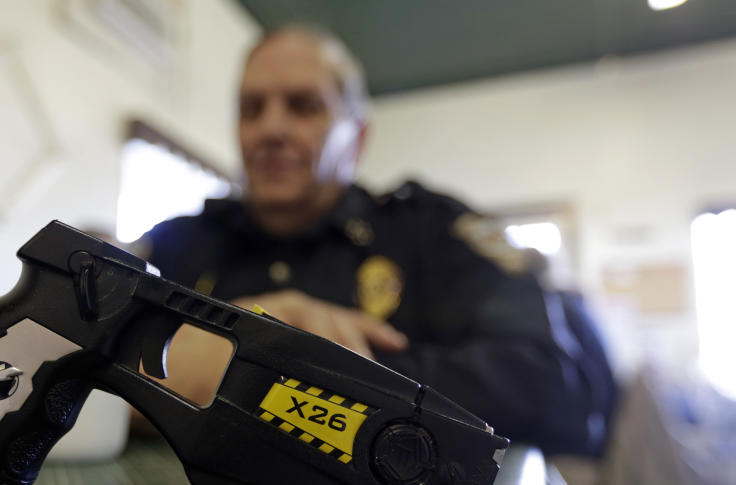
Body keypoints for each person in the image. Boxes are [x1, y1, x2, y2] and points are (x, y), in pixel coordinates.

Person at [137, 25, 614, 455]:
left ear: (358, 136)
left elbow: (557, 391)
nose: (271, 129)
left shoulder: (431, 232)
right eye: (251, 109)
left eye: (304, 106)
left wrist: (322, 366)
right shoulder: (180, 242)